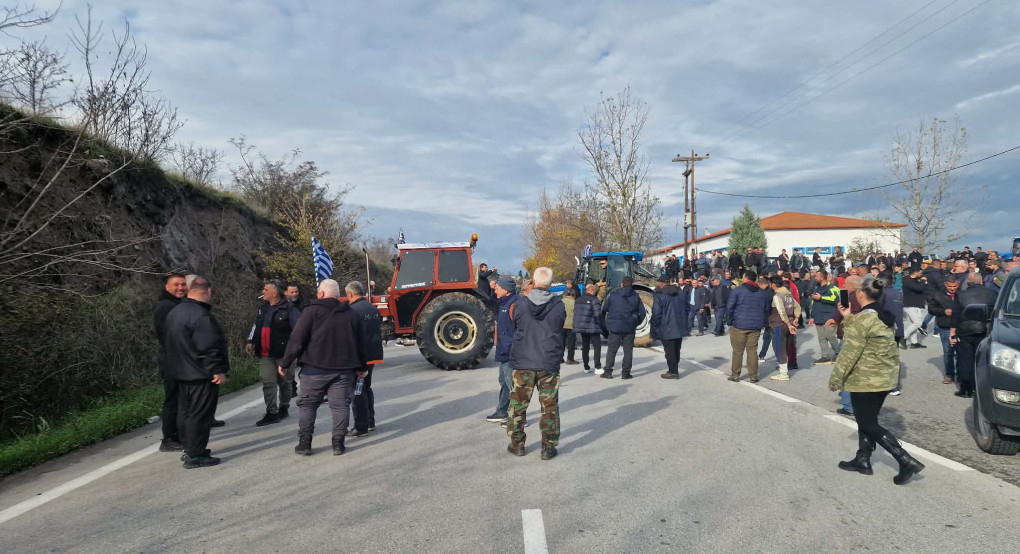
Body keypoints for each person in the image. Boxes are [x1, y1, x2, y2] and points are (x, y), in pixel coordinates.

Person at [829, 275, 924, 485]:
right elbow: (867, 333)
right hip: (884, 377)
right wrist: (847, 316)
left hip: (865, 378)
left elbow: (849, 352)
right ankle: (862, 459)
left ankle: (905, 460)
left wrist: (836, 379)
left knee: (867, 423)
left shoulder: (863, 319)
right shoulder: (884, 316)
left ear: (861, 293)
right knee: (868, 420)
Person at [278, 279, 367, 456]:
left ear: (321, 293)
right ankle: (338, 443)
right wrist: (362, 366)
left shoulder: (311, 311)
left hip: (314, 369)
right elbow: (361, 343)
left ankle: (305, 443)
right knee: (340, 406)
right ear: (338, 295)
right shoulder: (351, 313)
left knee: (308, 406)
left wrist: (285, 362)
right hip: (343, 370)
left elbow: (297, 338)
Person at [164, 277, 230, 469]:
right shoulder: (201, 315)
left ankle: (189, 448)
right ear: (208, 291)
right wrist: (217, 370)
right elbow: (208, 346)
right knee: (200, 415)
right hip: (200, 374)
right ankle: (195, 455)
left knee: (185, 413)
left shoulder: (175, 312)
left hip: (181, 372)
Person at [506, 267, 566, 460]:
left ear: (533, 281)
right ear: (550, 283)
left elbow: (515, 325)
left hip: (523, 362)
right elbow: (559, 326)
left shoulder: (519, 305)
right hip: (548, 362)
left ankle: (517, 445)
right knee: (549, 407)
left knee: (517, 406)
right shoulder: (559, 306)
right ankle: (548, 448)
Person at [246, 283, 301, 427]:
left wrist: (295, 351)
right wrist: (251, 340)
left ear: (274, 293)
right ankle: (271, 412)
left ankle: (284, 407)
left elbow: (298, 330)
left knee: (285, 382)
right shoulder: (263, 309)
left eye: (266, 289)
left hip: (283, 354)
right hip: (265, 354)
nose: (263, 291)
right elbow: (256, 326)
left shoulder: (290, 309)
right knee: (268, 383)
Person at [346, 281, 383, 438]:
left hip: (359, 356)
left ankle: (361, 426)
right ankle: (370, 421)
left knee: (357, 391)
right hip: (374, 354)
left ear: (350, 294)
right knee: (366, 387)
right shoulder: (373, 309)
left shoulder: (352, 311)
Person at [950, 274, 998, 398]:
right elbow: (996, 312)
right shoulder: (992, 293)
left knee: (965, 360)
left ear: (967, 282)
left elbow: (955, 314)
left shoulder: (960, 295)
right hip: (985, 330)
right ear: (981, 281)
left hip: (965, 331)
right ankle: (981, 388)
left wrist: (953, 332)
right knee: (983, 360)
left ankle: (966, 389)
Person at [487, 276, 520, 425]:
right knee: (504, 382)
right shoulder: (504, 302)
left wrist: (513, 349)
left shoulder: (515, 304)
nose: (495, 290)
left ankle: (518, 418)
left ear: (506, 290)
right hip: (503, 350)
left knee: (511, 384)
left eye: (498, 288)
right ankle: (502, 411)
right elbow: (490, 302)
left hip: (511, 351)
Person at [726, 270, 769, 382]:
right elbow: (766, 309)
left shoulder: (738, 290)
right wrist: (762, 323)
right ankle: (753, 376)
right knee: (752, 351)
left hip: (739, 325)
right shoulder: (761, 293)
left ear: (745, 278)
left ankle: (735, 374)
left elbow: (730, 307)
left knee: (738, 351)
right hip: (755, 326)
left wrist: (729, 322)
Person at [600, 277, 646, 379]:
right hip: (629, 327)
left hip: (615, 327)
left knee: (612, 350)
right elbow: (643, 313)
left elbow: (605, 309)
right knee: (628, 351)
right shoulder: (636, 296)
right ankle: (626, 373)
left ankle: (608, 372)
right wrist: (636, 323)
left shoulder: (613, 295)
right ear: (631, 285)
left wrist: (608, 323)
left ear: (622, 284)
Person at [651, 276, 689, 379]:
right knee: (676, 349)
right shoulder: (680, 293)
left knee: (669, 351)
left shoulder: (659, 295)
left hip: (666, 327)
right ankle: (674, 369)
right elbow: (687, 308)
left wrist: (654, 326)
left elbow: (656, 313)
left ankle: (673, 372)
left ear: (661, 283)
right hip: (679, 326)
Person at [767, 276, 801, 381]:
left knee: (779, 348)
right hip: (790, 323)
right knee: (785, 348)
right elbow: (797, 306)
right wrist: (796, 318)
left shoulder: (777, 295)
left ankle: (783, 373)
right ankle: (784, 369)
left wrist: (788, 324)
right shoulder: (788, 294)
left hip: (779, 325)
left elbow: (781, 311)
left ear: (773, 284)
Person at [928, 275, 960, 385]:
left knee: (961, 352)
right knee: (948, 352)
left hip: (960, 327)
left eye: (954, 286)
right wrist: (943, 311)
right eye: (950, 286)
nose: (952, 288)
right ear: (945, 284)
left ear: (958, 284)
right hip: (945, 326)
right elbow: (931, 309)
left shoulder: (962, 294)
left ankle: (961, 374)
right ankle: (949, 374)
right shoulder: (937, 294)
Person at [573, 284, 603, 374]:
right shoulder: (594, 300)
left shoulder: (578, 300)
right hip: (593, 327)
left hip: (582, 327)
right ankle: (597, 367)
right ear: (592, 291)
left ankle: (586, 367)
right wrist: (601, 326)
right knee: (597, 347)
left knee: (585, 347)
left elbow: (576, 313)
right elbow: (598, 315)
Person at [902, 267, 928, 349]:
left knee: (913, 324)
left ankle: (914, 342)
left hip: (913, 304)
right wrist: (924, 282)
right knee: (918, 323)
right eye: (920, 273)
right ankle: (903, 337)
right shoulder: (907, 281)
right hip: (911, 305)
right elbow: (918, 288)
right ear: (915, 272)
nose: (921, 274)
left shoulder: (913, 280)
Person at [562, 288, 578, 364]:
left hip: (561, 324)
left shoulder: (561, 301)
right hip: (571, 325)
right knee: (571, 343)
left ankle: (560, 358)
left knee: (561, 342)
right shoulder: (574, 302)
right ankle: (570, 359)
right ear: (573, 295)